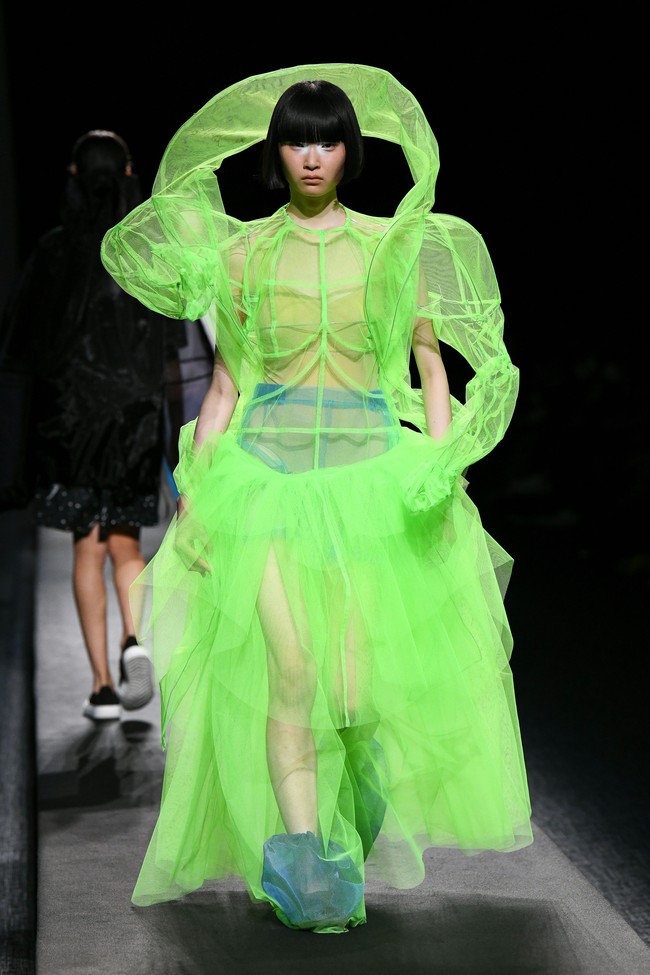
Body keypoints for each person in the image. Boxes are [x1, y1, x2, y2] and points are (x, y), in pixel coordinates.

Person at [101, 64, 533, 933]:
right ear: (275, 151)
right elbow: (226, 386)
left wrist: (440, 467)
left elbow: (430, 367)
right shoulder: (240, 253)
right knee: (292, 672)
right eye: (296, 139)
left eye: (327, 139)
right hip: (263, 485)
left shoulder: (393, 247)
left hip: (374, 483)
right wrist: (196, 492)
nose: (311, 155)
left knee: (355, 686)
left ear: (349, 150)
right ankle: (304, 857)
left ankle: (351, 803)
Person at [1, 130, 176, 721]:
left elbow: (24, 348)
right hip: (133, 416)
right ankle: (134, 637)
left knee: (87, 544)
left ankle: (102, 686)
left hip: (73, 421)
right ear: (129, 174)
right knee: (126, 542)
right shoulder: (141, 252)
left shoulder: (54, 251)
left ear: (74, 175)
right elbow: (171, 341)